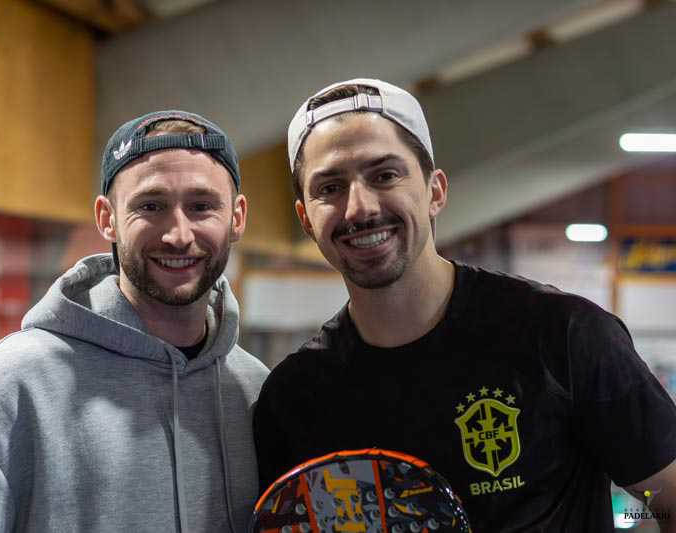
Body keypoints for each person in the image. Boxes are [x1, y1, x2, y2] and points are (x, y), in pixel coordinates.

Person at [252, 79, 676, 532]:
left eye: (385, 175)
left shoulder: (562, 335)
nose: (360, 207)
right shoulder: (293, 398)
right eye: (330, 187)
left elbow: (666, 499)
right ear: (306, 220)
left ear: (435, 192)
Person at [0, 110, 269, 532]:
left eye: (201, 206)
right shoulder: (17, 381)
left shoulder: (253, 390)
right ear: (107, 218)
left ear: (237, 218)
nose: (178, 234)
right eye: (151, 206)